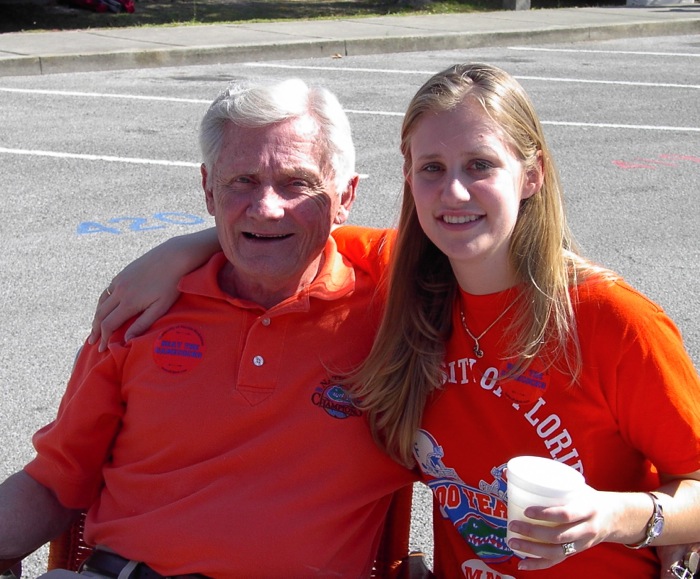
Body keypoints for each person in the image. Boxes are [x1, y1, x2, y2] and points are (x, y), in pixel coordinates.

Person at [90, 64, 700, 578]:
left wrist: (613, 517)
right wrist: (184, 250)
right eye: (431, 168)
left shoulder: (609, 318)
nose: (454, 193)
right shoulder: (407, 294)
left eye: (480, 165)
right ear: (408, 178)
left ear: (532, 174)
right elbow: (285, 226)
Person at [0, 77, 414, 578]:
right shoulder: (142, 308)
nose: (266, 207)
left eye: (297, 183)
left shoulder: (399, 307)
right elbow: (55, 482)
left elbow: (487, 248)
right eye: (241, 181)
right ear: (207, 188)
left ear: (345, 195)